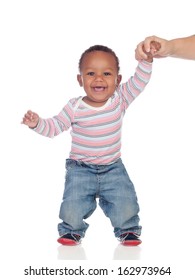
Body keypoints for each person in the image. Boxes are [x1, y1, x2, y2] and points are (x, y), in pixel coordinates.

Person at [22, 43, 157, 246]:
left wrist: (146, 60)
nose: (99, 78)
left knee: (125, 201)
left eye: (107, 73)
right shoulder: (75, 107)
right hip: (80, 169)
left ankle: (128, 230)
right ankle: (71, 231)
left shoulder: (119, 99)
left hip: (113, 168)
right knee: (72, 205)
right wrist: (37, 123)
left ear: (118, 80)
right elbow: (55, 126)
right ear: (80, 79)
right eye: (91, 73)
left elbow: (140, 81)